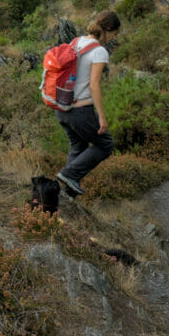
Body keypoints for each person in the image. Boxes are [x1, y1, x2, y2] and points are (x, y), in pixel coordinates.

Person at [55, 10, 121, 198]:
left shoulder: (76, 42)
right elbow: (94, 86)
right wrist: (101, 116)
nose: (112, 39)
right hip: (80, 111)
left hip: (62, 108)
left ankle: (66, 195)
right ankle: (68, 175)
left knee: (78, 147)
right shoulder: (99, 51)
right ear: (108, 30)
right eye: (114, 34)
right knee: (105, 145)